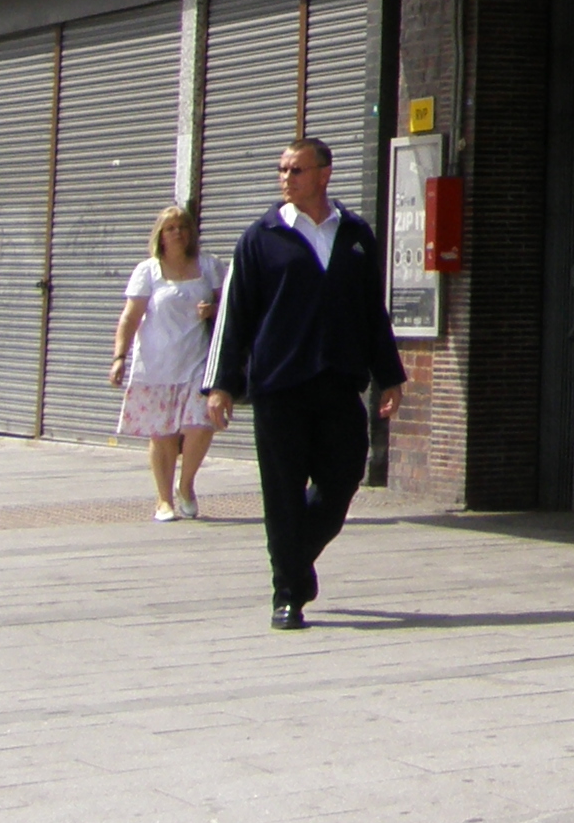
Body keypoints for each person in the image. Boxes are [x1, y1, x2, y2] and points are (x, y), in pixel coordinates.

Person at [203, 136, 407, 631]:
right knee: (282, 492)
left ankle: (296, 560)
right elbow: (236, 316)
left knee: (342, 481)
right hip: (279, 387)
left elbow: (372, 312)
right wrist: (222, 385)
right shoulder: (262, 237)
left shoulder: (355, 234)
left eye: (295, 170)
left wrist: (389, 375)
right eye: (281, 170)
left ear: (323, 174)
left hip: (339, 382)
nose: (285, 178)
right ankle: (288, 594)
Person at [111, 205, 224, 521]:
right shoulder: (148, 271)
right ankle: (164, 500)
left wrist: (213, 310)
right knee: (161, 434)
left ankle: (185, 486)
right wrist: (119, 357)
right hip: (157, 363)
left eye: (183, 227)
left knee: (200, 425)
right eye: (171, 228)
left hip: (198, 360)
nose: (178, 233)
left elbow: (231, 305)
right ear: (160, 235)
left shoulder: (210, 266)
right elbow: (130, 316)